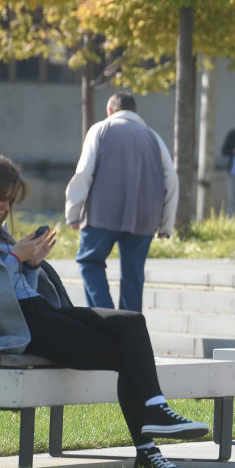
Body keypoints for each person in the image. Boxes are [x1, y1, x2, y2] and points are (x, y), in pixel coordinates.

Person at [0, 154, 208, 468]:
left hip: (38, 312)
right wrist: (16, 259)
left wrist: (30, 265)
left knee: (131, 322)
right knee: (125, 354)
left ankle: (156, 410)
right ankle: (148, 450)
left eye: (10, 201)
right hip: (16, 327)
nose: (6, 208)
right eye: (0, 200)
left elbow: (18, 287)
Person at [65, 91, 177, 312]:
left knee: (90, 262)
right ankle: (129, 328)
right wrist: (166, 225)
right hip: (144, 217)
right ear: (135, 112)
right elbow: (171, 179)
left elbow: (84, 172)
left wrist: (73, 212)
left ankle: (105, 318)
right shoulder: (153, 136)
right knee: (133, 274)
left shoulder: (101, 130)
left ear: (109, 111)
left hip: (102, 214)